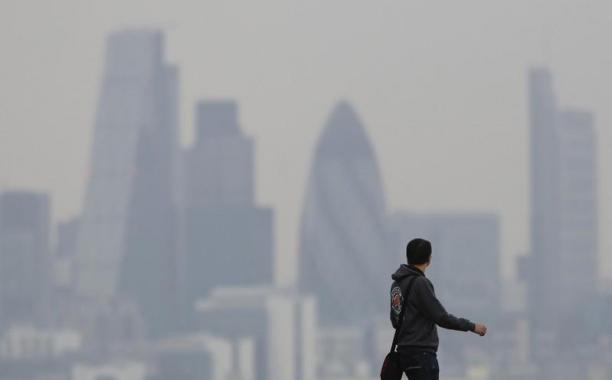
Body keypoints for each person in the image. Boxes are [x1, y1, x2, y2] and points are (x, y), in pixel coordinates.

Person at [389, 238, 487, 380]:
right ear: (429, 259)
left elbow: (395, 320)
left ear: (408, 257)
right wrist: (472, 326)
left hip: (404, 353)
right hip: (421, 354)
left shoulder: (396, 284)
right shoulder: (420, 283)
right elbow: (441, 317)